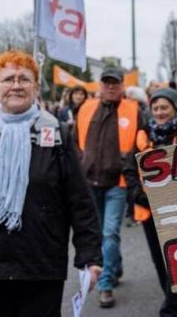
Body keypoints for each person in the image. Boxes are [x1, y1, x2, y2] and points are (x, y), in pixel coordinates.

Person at [0, 50, 102, 316]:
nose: (16, 85)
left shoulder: (56, 134)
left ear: (35, 86)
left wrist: (90, 256)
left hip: (40, 262)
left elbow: (79, 199)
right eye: (8, 79)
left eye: (24, 79)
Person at [75, 67, 145, 308]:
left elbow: (142, 144)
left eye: (115, 83)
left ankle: (105, 284)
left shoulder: (134, 110)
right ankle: (115, 266)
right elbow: (75, 142)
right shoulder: (85, 108)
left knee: (109, 233)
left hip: (118, 183)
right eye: (106, 82)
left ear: (122, 86)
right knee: (100, 234)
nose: (110, 86)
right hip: (89, 183)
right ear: (100, 85)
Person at [124, 88, 177, 317]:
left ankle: (172, 306)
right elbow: (129, 169)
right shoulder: (141, 134)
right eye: (156, 108)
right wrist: (137, 195)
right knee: (158, 258)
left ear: (174, 108)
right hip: (147, 208)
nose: (160, 112)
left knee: (175, 258)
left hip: (176, 209)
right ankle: (171, 293)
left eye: (164, 107)